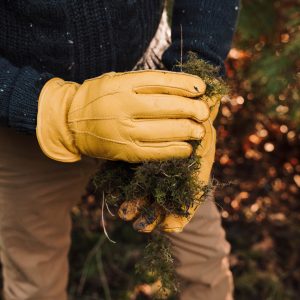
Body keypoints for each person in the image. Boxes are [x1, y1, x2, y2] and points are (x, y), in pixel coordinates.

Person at [0, 1, 239, 299]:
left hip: (154, 94)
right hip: (30, 126)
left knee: (204, 266)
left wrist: (199, 72)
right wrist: (53, 110)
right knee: (34, 281)